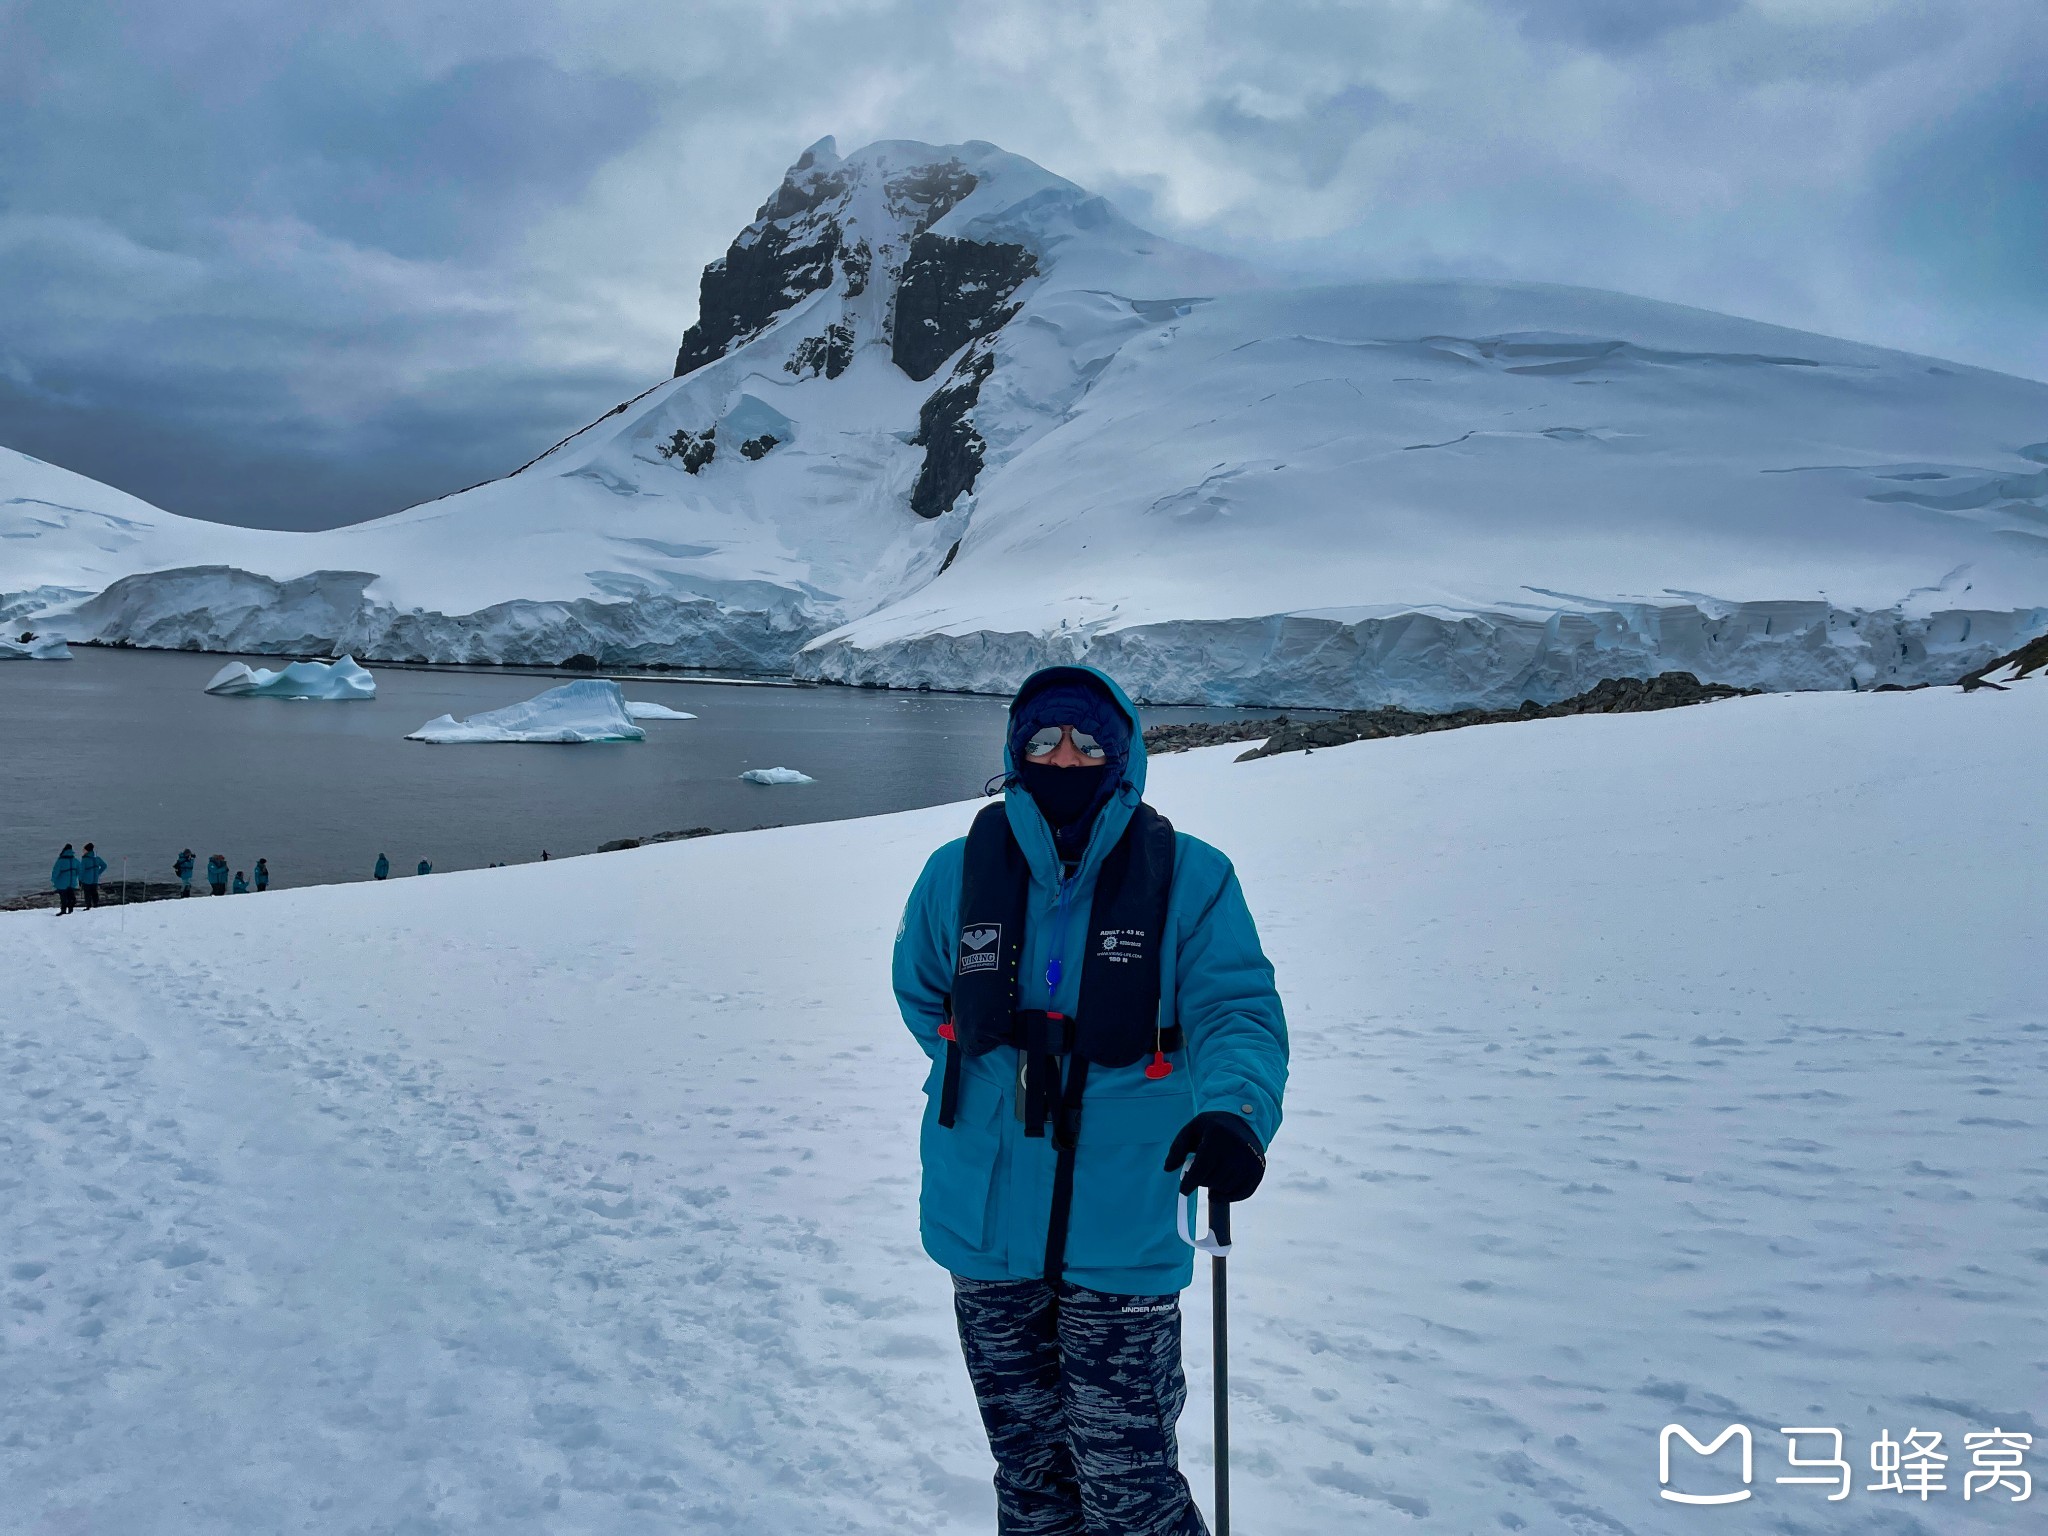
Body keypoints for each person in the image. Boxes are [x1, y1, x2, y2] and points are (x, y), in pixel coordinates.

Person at [893, 665, 1287, 1536]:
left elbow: (1237, 1012)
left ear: (1122, 755)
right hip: (987, 1223)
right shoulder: (955, 874)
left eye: (1084, 741)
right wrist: (1002, 1083)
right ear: (1014, 752)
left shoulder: (1191, 877)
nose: (1062, 757)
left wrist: (1237, 1112)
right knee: (1028, 1474)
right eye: (1042, 740)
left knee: (1129, 1483)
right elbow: (924, 998)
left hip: (1126, 1220)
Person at [51, 843, 81, 916]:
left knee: (63, 897)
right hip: (72, 882)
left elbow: (55, 871)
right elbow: (80, 870)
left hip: (62, 883)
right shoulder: (75, 860)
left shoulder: (60, 860)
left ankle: (63, 910)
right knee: (71, 896)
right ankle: (70, 910)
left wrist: (53, 880)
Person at [78, 842, 107, 910]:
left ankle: (88, 906)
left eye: (84, 850)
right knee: (94, 892)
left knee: (87, 894)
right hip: (95, 879)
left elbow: (81, 871)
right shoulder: (97, 858)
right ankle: (96, 905)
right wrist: (98, 873)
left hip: (86, 880)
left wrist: (80, 880)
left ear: (87, 851)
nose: (83, 851)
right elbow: (104, 866)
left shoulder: (85, 860)